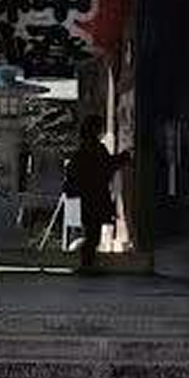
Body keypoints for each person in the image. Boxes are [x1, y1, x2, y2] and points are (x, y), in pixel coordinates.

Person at [62, 116, 129, 274]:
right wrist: (124, 157)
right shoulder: (96, 148)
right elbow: (106, 166)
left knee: (90, 232)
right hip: (94, 197)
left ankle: (88, 263)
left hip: (83, 198)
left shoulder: (82, 149)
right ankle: (88, 265)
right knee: (93, 234)